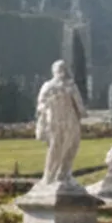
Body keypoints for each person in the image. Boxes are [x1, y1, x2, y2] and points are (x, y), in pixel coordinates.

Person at [34, 59, 84, 188]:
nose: (63, 73)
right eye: (61, 70)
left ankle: (61, 174)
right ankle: (53, 176)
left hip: (64, 121)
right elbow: (41, 104)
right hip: (61, 122)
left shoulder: (65, 86)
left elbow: (79, 105)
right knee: (60, 148)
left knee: (67, 147)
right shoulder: (57, 86)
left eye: (64, 70)